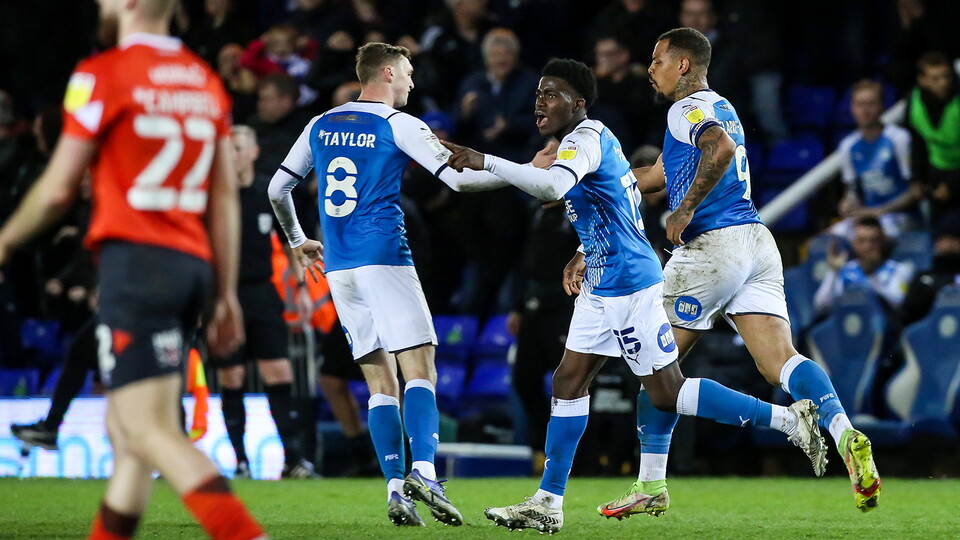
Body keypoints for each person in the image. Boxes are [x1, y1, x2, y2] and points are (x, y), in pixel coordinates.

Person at [442, 57, 825, 534]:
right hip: (602, 280)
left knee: (666, 393)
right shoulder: (583, 143)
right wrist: (581, 246)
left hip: (628, 282)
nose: (540, 100)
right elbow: (614, 203)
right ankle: (547, 501)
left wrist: (485, 158)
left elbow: (553, 187)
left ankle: (789, 421)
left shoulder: (585, 139)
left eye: (552, 93)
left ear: (577, 104)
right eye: (538, 92)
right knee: (567, 381)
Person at [590, 28, 880, 519]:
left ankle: (657, 481)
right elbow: (656, 174)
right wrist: (589, 179)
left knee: (657, 372)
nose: (650, 68)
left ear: (683, 65)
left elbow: (718, 150)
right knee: (781, 362)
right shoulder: (721, 105)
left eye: (658, 59)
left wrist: (682, 212)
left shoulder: (686, 109)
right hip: (756, 243)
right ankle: (842, 430)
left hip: (712, 248)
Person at [0, 1, 264, 538]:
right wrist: (226, 292)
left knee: (148, 430)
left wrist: (4, 240)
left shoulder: (101, 74)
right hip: (192, 265)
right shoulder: (203, 79)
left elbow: (56, 190)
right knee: (127, 441)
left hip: (137, 265)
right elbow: (223, 199)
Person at [267, 41, 540, 527]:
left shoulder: (321, 123)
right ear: (388, 73)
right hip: (385, 258)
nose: (413, 83)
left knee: (378, 382)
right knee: (421, 367)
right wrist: (524, 174)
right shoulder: (399, 125)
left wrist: (297, 239)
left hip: (339, 268)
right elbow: (457, 182)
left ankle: (396, 491)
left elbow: (278, 187)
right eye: (409, 73)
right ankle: (425, 471)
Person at [214, 125, 317, 479]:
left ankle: (294, 459)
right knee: (232, 376)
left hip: (261, 292)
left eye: (238, 147)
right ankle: (240, 461)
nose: (231, 153)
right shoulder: (214, 196)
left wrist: (300, 288)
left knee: (279, 372)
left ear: (254, 152)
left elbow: (291, 241)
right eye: (227, 147)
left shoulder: (267, 194)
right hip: (224, 295)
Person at [830, 79, 918, 239]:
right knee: (826, 239)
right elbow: (851, 191)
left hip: (901, 216)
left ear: (882, 106)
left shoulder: (899, 138)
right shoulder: (848, 146)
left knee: (871, 237)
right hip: (868, 216)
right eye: (860, 104)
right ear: (852, 108)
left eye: (871, 104)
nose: (865, 110)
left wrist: (879, 211)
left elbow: (915, 191)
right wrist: (847, 203)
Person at [815, 216, 914, 316]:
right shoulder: (845, 270)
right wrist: (833, 272)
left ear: (883, 241)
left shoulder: (899, 270)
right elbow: (821, 306)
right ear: (853, 244)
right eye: (861, 241)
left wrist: (871, 275)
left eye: (873, 241)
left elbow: (898, 304)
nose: (868, 246)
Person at [906, 51, 960, 226]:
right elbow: (918, 142)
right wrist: (917, 179)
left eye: (946, 77)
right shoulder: (914, 102)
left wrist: (952, 184)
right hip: (936, 171)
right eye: (935, 78)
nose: (943, 83)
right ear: (922, 80)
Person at [902, 212, 960, 324]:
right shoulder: (924, 278)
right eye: (940, 239)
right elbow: (908, 314)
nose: (943, 244)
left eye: (951, 239)